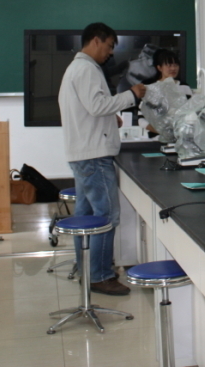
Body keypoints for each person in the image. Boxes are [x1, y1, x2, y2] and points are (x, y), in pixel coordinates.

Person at [58, 22, 146, 296]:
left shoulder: (76, 69)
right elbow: (96, 106)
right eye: (108, 46)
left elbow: (89, 109)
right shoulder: (86, 69)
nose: (110, 53)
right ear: (96, 40)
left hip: (84, 154)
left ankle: (87, 268)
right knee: (106, 216)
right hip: (94, 156)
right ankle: (101, 275)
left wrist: (110, 117)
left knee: (86, 217)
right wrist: (131, 95)